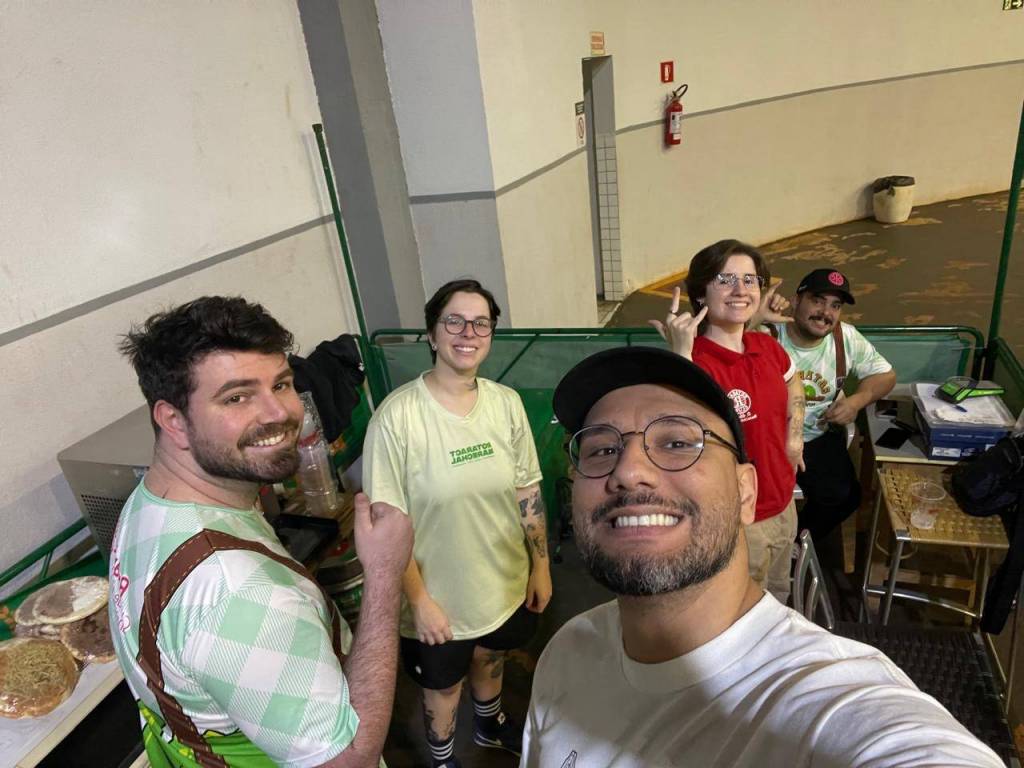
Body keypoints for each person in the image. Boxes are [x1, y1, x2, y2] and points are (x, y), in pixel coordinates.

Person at [519, 345, 1002, 767]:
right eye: (602, 450)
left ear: (746, 493)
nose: (628, 471)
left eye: (678, 442)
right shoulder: (566, 653)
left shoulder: (829, 698)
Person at [112, 296, 412, 767]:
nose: (279, 413)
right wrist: (385, 575)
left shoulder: (149, 503)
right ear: (174, 421)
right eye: (237, 397)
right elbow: (349, 760)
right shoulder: (240, 592)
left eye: (281, 384)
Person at [362, 279, 550, 768]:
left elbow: (527, 490)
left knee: (490, 657)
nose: (468, 333)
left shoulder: (505, 403)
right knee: (443, 687)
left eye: (481, 323)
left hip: (504, 582)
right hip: (438, 600)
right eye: (455, 321)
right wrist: (419, 601)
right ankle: (444, 759)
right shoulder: (397, 418)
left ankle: (488, 726)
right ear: (431, 333)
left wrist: (540, 567)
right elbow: (387, 525)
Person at [650, 239, 803, 604]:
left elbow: (793, 380)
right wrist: (680, 354)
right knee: (737, 609)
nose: (740, 290)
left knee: (778, 598)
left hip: (784, 504)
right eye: (725, 280)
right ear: (700, 293)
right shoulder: (694, 363)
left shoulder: (767, 346)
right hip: (736, 519)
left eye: (750, 280)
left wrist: (794, 437)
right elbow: (678, 434)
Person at [765, 268, 896, 539]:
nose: (826, 313)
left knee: (845, 497)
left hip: (817, 436)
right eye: (817, 301)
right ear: (796, 301)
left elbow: (886, 376)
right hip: (768, 439)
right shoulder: (767, 334)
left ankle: (796, 543)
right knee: (755, 500)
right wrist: (754, 318)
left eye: (835, 305)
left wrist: (856, 402)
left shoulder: (844, 337)